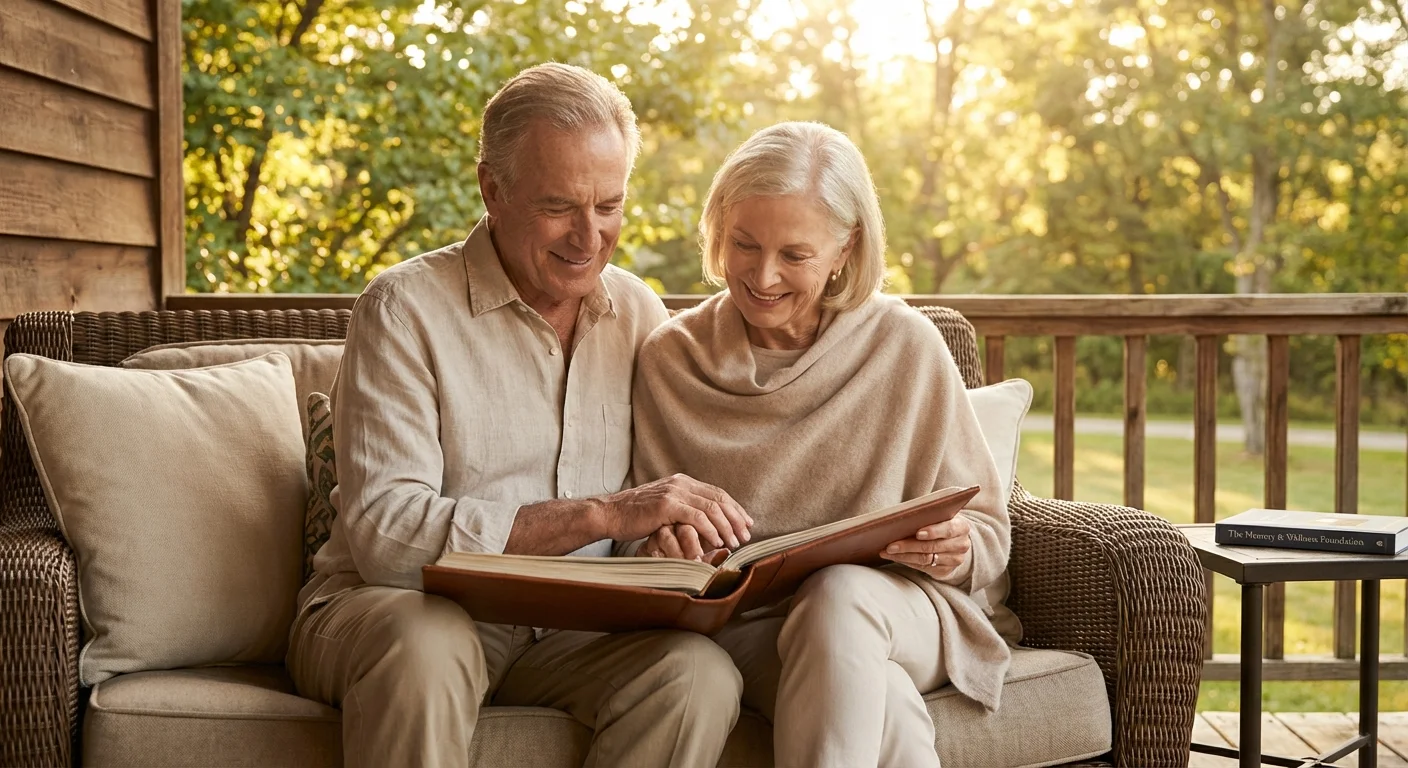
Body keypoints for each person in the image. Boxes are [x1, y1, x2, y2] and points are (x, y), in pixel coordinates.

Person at [287, 63, 753, 768]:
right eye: (559, 206)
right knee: (429, 643)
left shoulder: (640, 315)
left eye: (609, 206)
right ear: (491, 190)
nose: (588, 236)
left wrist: (664, 549)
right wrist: (598, 516)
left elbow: (645, 518)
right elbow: (386, 535)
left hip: (570, 629)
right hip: (390, 611)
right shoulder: (402, 309)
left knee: (698, 675)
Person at [630, 121, 1022, 767]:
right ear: (717, 230)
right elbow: (641, 539)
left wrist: (952, 550)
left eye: (795, 255)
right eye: (743, 244)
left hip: (905, 612)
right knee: (886, 708)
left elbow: (987, 534)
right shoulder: (671, 359)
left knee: (838, 597)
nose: (762, 276)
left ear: (846, 248)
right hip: (749, 629)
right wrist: (664, 545)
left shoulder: (906, 346)